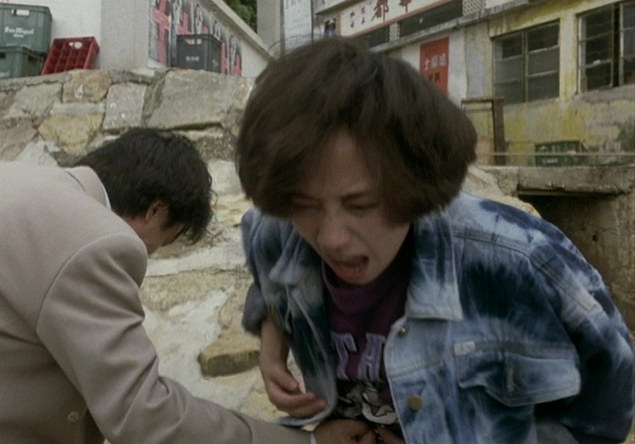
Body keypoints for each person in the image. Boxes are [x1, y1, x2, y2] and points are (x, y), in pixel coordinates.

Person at [0, 128, 363, 444]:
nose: (147, 255)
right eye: (161, 243)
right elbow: (143, 417)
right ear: (155, 210)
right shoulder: (100, 241)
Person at [234, 38, 635, 443]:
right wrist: (272, 347)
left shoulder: (519, 261)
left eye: (361, 205)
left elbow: (608, 410)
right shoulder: (278, 230)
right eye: (306, 205)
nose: (332, 238)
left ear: (413, 186)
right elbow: (267, 272)